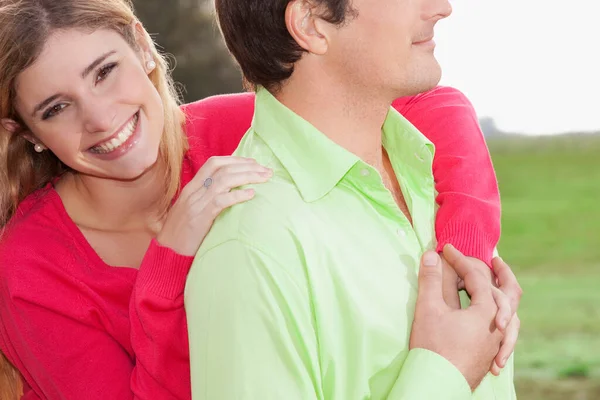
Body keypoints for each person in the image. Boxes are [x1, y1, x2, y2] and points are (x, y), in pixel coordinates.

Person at [0, 0, 520, 399]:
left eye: (105, 72)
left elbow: (437, 106)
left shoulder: (229, 132)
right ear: (28, 133)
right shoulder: (28, 270)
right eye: (56, 107)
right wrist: (169, 265)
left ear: (141, 47)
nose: (98, 118)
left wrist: (466, 261)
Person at [184, 0, 518, 399]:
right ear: (311, 23)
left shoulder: (421, 170)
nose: (442, 8)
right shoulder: (250, 249)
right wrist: (447, 372)